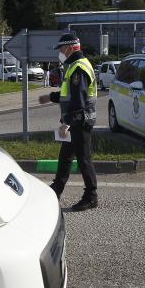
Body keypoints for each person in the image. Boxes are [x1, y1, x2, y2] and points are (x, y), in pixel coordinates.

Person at [38, 34, 98, 211]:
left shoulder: (78, 68)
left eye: (62, 49)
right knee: (65, 158)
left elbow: (78, 102)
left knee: (84, 159)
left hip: (80, 121)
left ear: (71, 48)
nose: (61, 53)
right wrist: (50, 97)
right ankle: (55, 190)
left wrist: (68, 124)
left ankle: (91, 196)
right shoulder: (74, 66)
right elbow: (68, 95)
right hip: (76, 121)